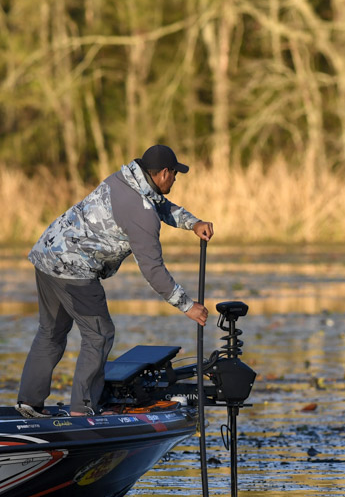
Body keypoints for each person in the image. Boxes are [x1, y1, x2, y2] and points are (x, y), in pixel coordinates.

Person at [16, 144, 214, 418]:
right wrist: (187, 306)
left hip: (48, 254)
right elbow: (153, 270)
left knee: (51, 333)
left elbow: (160, 205)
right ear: (165, 173)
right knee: (99, 333)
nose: (176, 179)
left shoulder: (124, 180)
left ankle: (28, 403)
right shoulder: (141, 212)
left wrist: (192, 222)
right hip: (75, 270)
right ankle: (83, 410)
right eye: (175, 174)